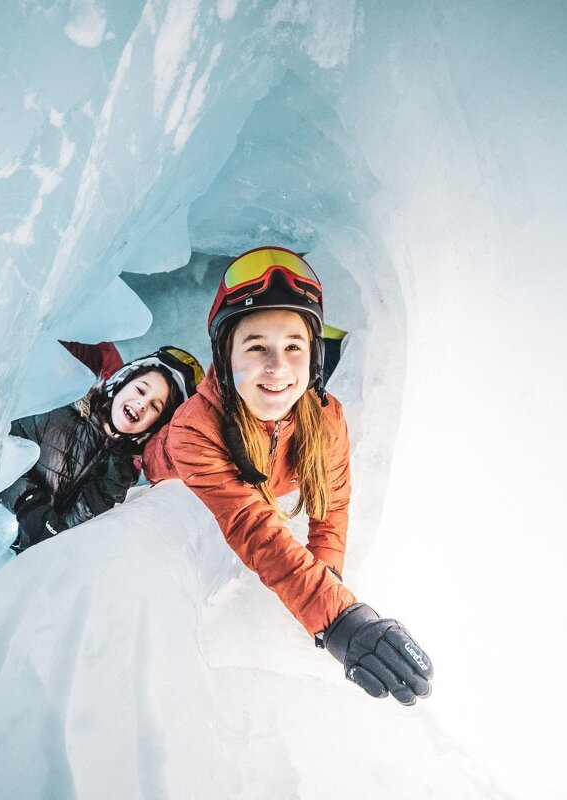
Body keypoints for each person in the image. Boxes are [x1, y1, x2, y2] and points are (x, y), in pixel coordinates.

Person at [143, 246, 434, 705]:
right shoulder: (194, 430)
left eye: (293, 347)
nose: (277, 367)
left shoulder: (327, 418)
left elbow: (331, 506)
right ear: (225, 355)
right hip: (163, 468)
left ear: (314, 357)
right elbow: (254, 527)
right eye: (256, 346)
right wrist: (340, 620)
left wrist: (327, 581)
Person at [0, 345, 204, 554]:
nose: (142, 404)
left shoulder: (120, 477)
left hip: (11, 563)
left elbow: (70, 533)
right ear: (122, 382)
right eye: (140, 390)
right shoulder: (63, 406)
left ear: (155, 427)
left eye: (155, 406)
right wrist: (29, 502)